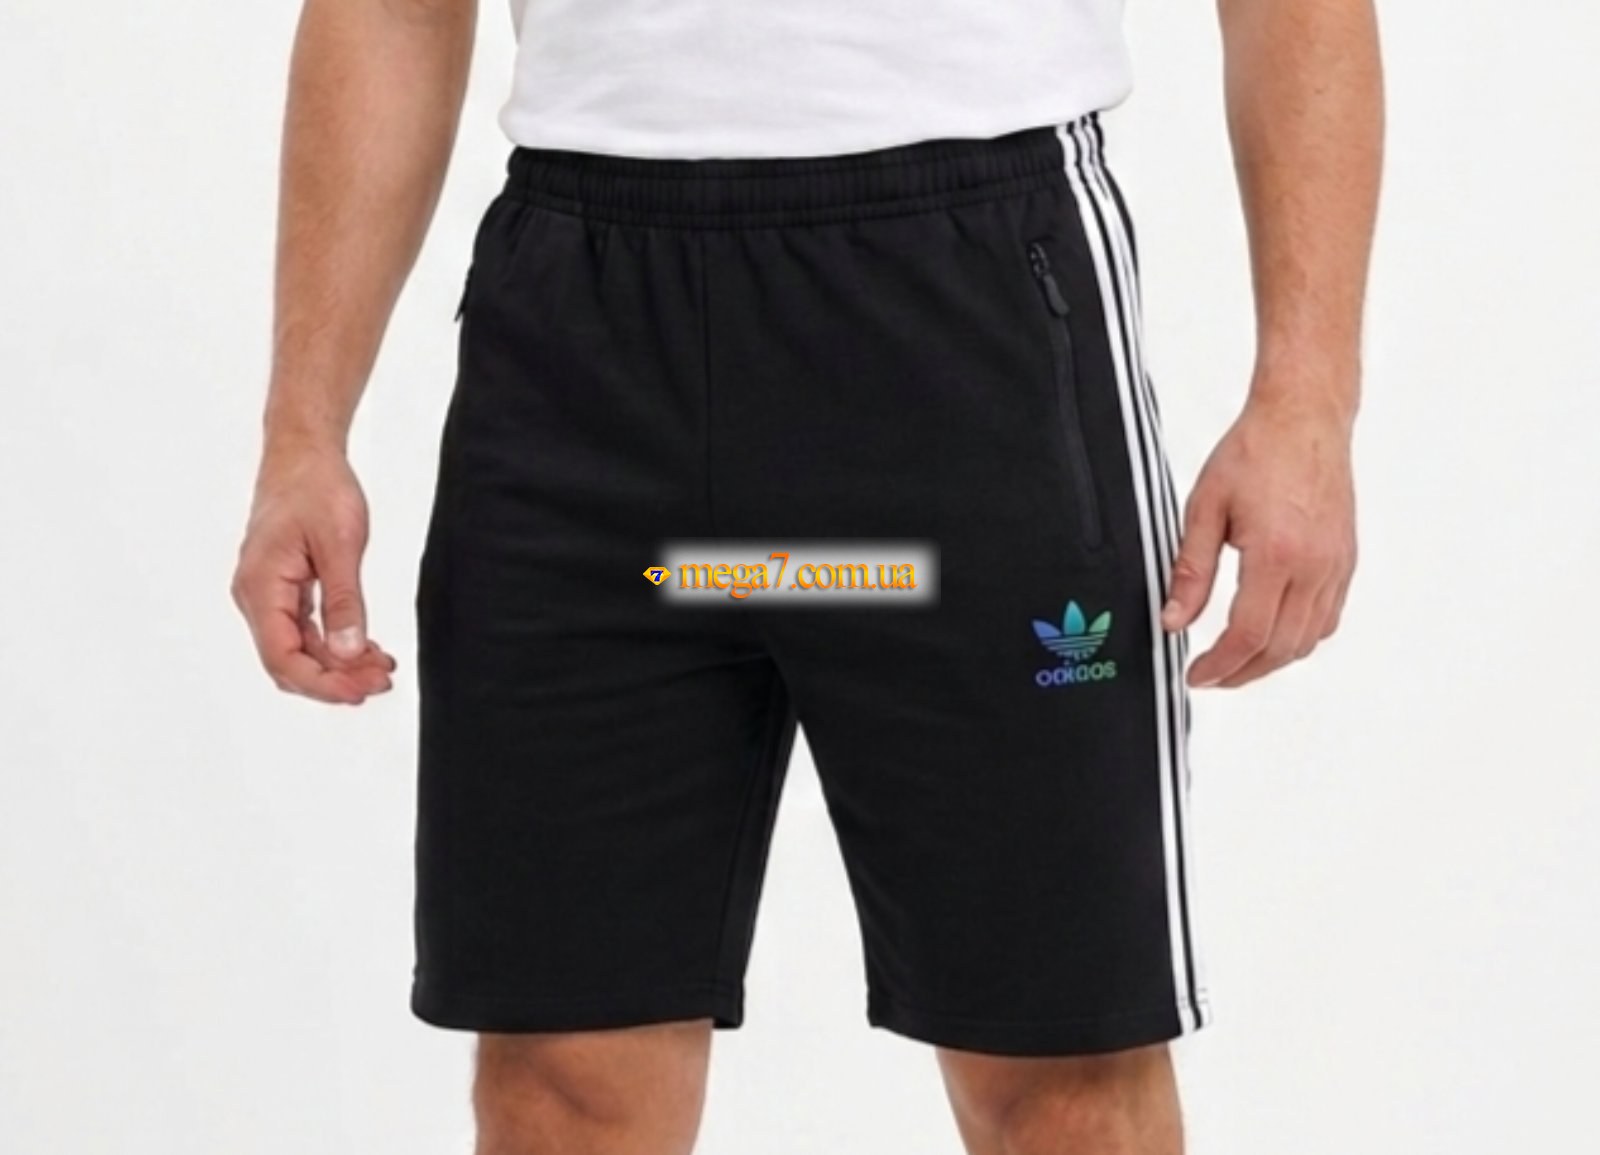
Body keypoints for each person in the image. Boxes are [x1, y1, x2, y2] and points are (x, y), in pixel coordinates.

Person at [231, 0, 1381, 1149]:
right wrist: (303, 432)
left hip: (965, 318)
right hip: (584, 348)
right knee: (559, 1088)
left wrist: (1307, 403)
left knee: (1063, 1086)